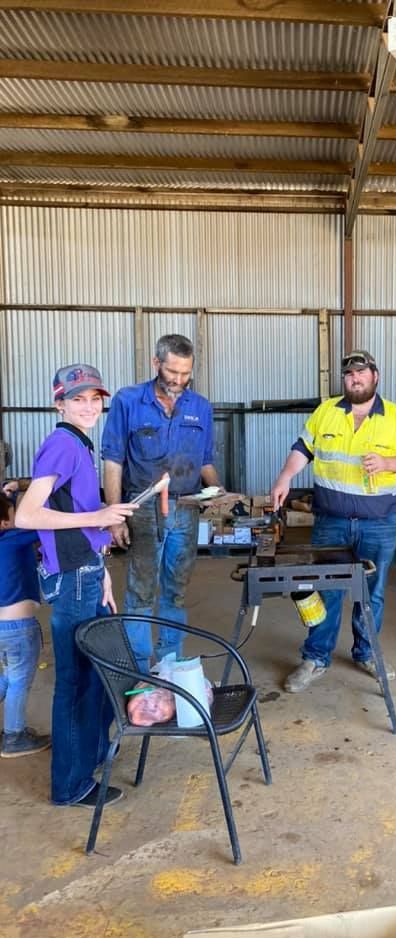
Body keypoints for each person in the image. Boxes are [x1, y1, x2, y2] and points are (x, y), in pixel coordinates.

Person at [270, 349, 396, 693]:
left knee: (371, 594)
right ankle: (315, 657)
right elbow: (303, 448)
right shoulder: (326, 412)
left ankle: (367, 652)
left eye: (361, 372)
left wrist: (389, 463)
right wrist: (284, 477)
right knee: (326, 589)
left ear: (375, 375)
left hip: (380, 522)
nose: (355, 378)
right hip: (332, 521)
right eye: (349, 374)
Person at [15, 364, 137, 805]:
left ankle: (92, 756)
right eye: (78, 398)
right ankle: (70, 785)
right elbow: (27, 515)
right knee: (76, 681)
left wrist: (101, 564)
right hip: (70, 582)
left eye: (94, 398)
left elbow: (76, 515)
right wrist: (99, 516)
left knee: (97, 673)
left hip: (85, 573)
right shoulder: (63, 446)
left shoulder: (79, 444)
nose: (89, 406)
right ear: (59, 403)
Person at [101, 334, 222, 672]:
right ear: (156, 364)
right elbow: (113, 460)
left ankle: (169, 660)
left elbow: (206, 460)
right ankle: (139, 665)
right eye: (173, 373)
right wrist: (115, 516)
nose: (179, 381)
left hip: (186, 510)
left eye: (186, 374)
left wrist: (220, 492)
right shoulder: (128, 401)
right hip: (143, 511)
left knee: (177, 588)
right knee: (141, 589)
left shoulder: (200, 407)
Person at [0, 487, 50, 758]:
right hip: (18, 629)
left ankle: (14, 729)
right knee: (19, 681)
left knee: (8, 676)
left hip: (3, 630)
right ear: (5, 522)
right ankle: (13, 737)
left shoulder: (9, 537)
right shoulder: (13, 538)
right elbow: (41, 523)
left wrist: (10, 494)